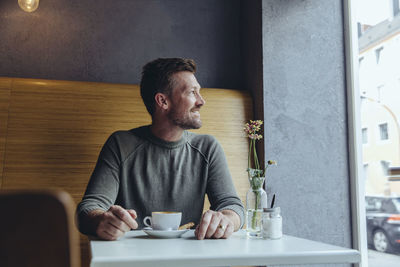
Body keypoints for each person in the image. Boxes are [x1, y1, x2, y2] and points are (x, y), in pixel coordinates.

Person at [76, 58, 244, 241]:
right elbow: (88, 209)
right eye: (192, 92)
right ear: (163, 101)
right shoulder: (120, 144)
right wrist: (101, 220)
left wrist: (226, 219)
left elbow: (232, 206)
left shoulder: (208, 148)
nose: (201, 101)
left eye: (199, 92)